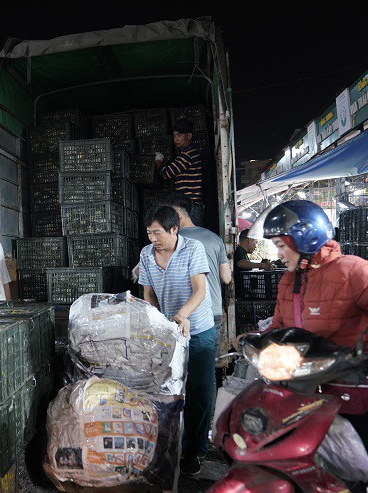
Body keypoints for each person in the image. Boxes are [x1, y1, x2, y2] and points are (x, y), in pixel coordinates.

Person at [236, 200, 368, 493]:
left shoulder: (354, 271)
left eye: (281, 245)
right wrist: (252, 340)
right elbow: (279, 330)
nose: (278, 253)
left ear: (305, 238)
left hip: (356, 395)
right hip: (301, 398)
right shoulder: (290, 281)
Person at [138, 205, 215, 477]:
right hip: (169, 331)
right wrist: (158, 323)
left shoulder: (193, 249)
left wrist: (182, 315)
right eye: (149, 233)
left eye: (157, 233)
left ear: (174, 229)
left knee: (200, 390)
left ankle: (197, 450)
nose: (153, 239)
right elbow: (148, 293)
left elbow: (200, 290)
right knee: (169, 390)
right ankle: (171, 448)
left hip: (198, 329)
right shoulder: (147, 254)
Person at [168, 193, 232, 360]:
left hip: (182, 314)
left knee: (181, 370)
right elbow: (226, 278)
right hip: (213, 312)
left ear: (178, 215)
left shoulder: (171, 241)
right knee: (209, 366)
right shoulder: (214, 238)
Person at [155, 118, 205, 226]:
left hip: (191, 209)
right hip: (189, 208)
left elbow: (166, 173)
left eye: (179, 135)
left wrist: (158, 161)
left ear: (189, 136)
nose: (176, 139)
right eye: (174, 136)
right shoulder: (186, 154)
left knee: (190, 240)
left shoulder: (188, 154)